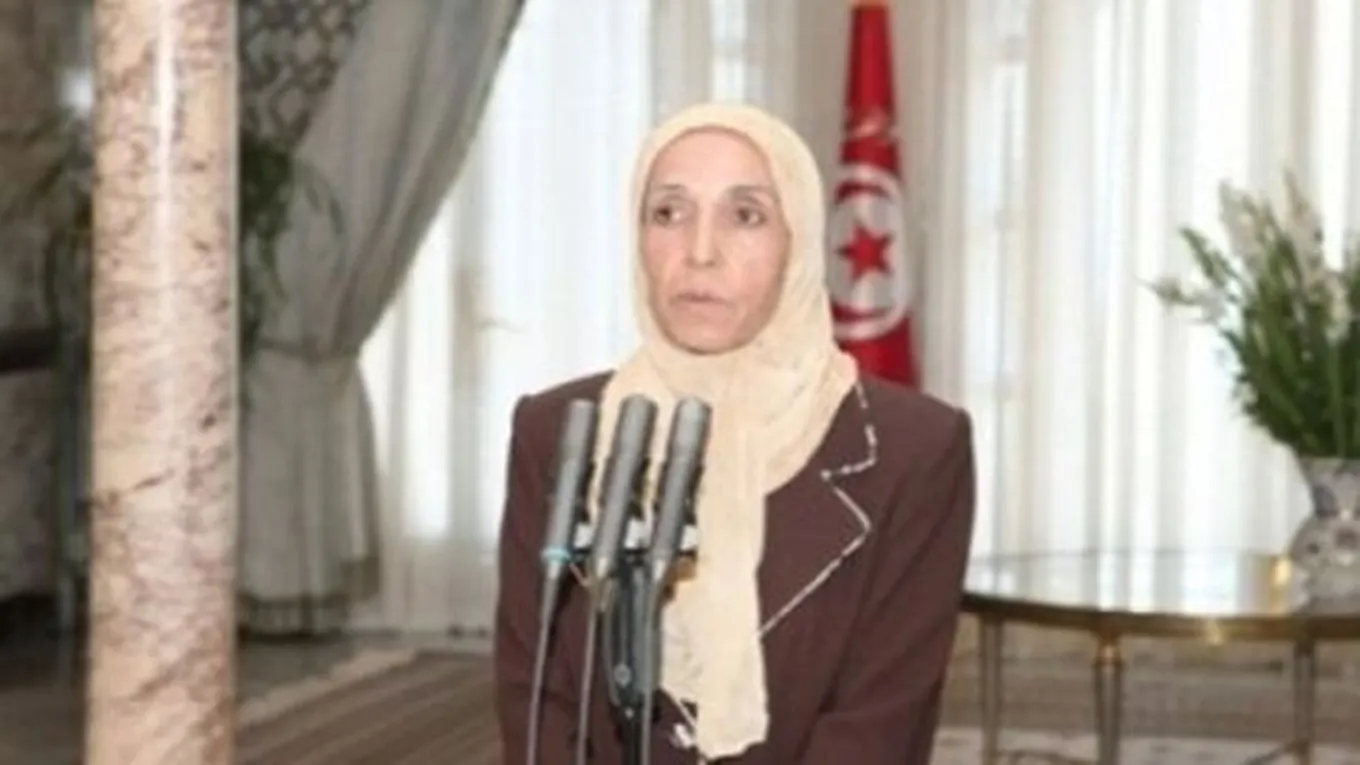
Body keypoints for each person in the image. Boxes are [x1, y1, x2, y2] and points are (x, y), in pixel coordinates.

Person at [494, 102, 976, 765]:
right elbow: (536, 694)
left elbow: (879, 726)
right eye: (669, 212)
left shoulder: (913, 448)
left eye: (745, 216)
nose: (700, 252)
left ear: (797, 241)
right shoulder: (559, 431)